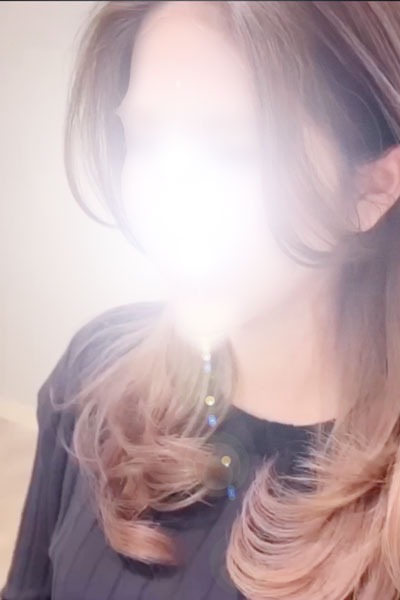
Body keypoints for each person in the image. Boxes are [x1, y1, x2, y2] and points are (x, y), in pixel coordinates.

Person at [3, 1, 400, 598]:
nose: (163, 197)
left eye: (229, 149)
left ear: (371, 188)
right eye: (144, 137)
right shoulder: (95, 371)